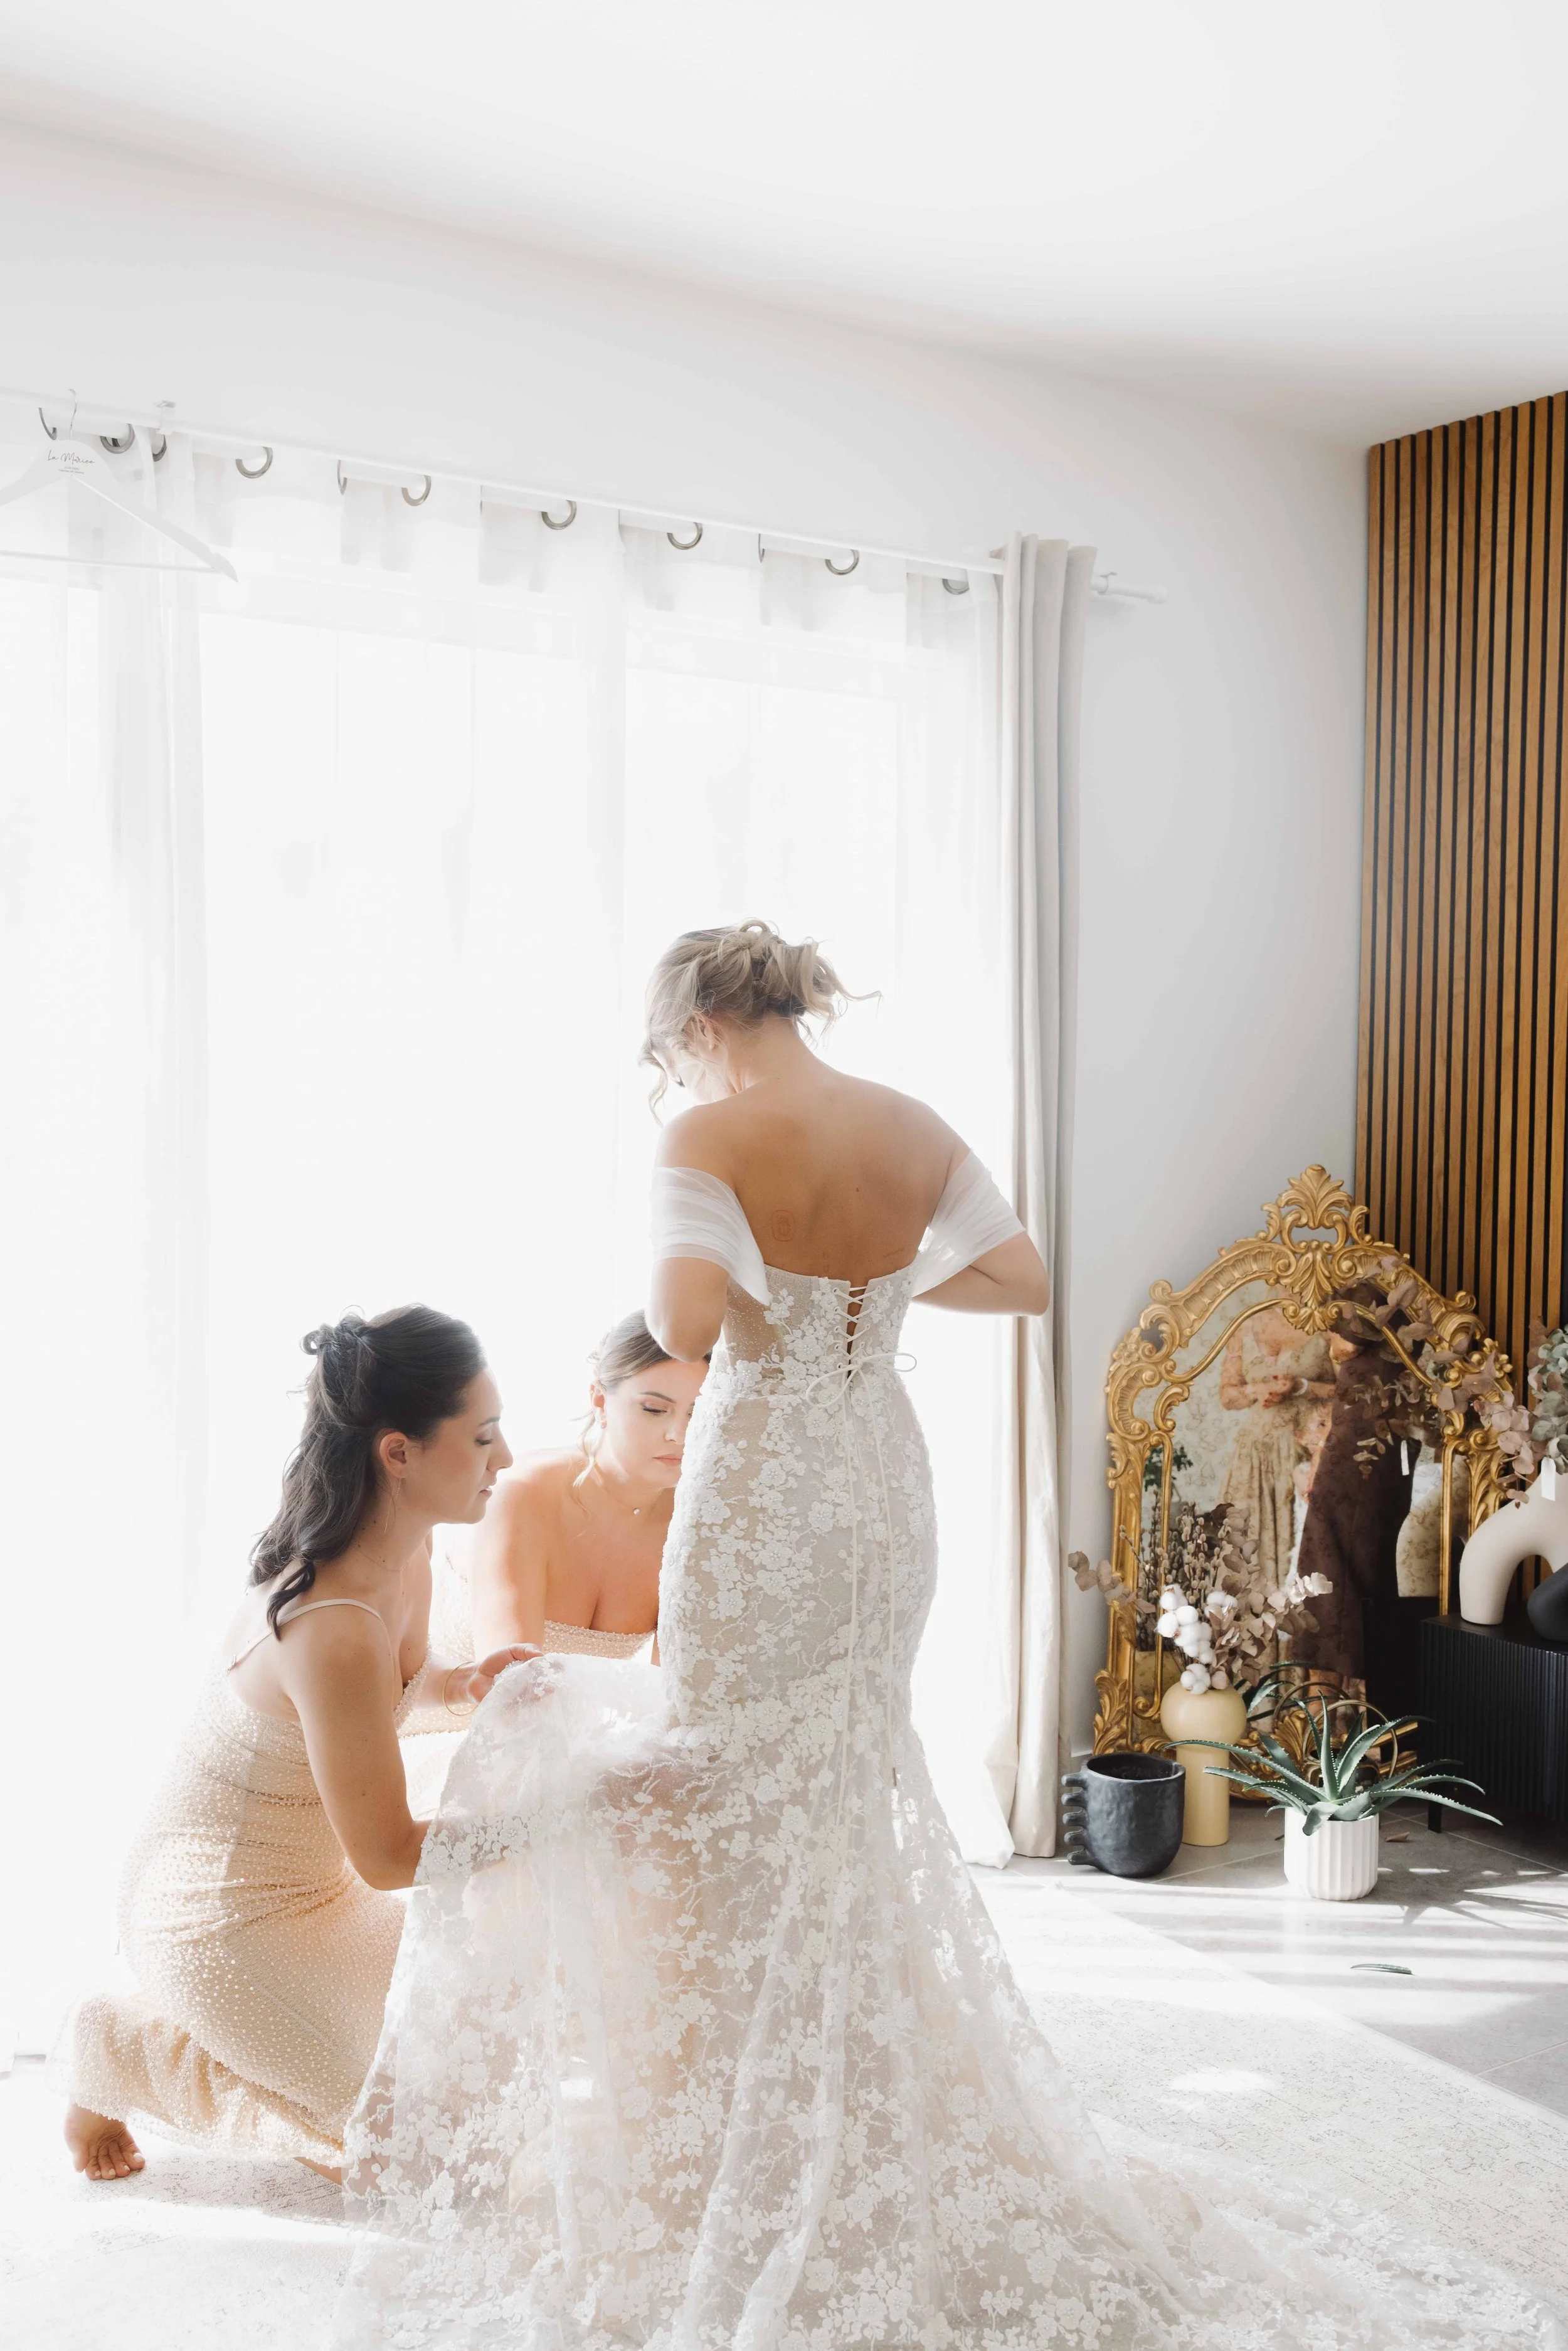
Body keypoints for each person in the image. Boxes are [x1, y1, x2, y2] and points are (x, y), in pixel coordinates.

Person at [338, 926, 1557, 2351]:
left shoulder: (708, 1135)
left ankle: (750, 2102)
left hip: (775, 1473)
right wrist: (882, 1286)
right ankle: (820, 2088)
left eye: (671, 1052)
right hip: (879, 1481)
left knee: (729, 1752)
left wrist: (753, 1259)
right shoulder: (908, 1125)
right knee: (840, 1763)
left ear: (700, 1024)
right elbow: (1022, 1275)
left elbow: (680, 1318)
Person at [60, 1305, 535, 2185]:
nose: (504, 1459)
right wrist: (554, 1824)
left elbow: (393, 1699)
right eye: (484, 1437)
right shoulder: (332, 1622)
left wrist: (460, 1687)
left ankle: (216, 2043)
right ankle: (121, 2042)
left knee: (488, 2089)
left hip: (319, 1895)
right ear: (400, 1451)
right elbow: (393, 1856)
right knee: (408, 2164)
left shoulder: (409, 1555)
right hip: (219, 1918)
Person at [430, 1312, 707, 1664]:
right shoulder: (523, 1496)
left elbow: (674, 1691)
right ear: (600, 1402)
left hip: (581, 1718)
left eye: (698, 1414)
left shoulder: (695, 1524)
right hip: (456, 1714)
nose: (679, 1436)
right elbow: (510, 1688)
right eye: (654, 1409)